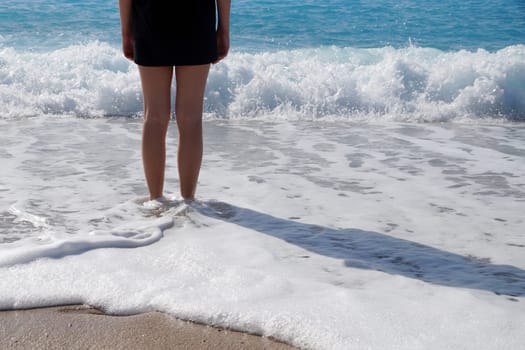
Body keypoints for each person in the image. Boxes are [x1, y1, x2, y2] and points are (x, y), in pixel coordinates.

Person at [118, 0, 231, 200]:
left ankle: (156, 201)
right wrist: (223, 29)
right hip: (197, 20)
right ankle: (188, 203)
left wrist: (126, 30)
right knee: (191, 118)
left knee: (154, 117)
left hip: (150, 19)